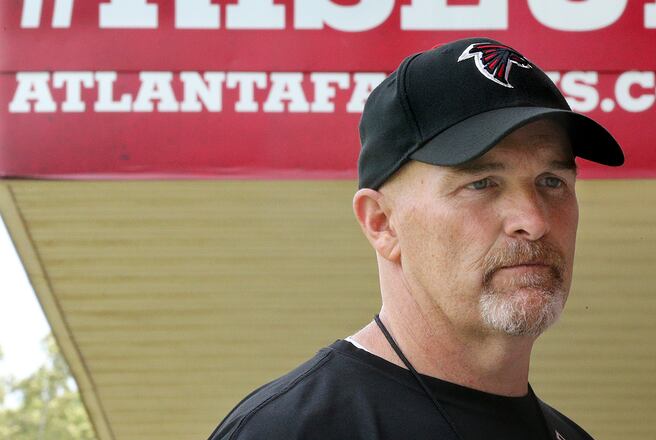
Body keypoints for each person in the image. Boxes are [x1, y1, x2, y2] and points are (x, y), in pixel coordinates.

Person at [208, 38, 624, 440]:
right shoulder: (291, 431)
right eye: (481, 184)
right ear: (382, 223)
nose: (533, 221)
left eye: (552, 181)